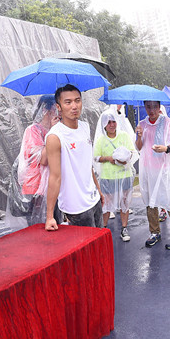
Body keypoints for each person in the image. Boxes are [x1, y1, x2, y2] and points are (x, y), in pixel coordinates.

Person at [45, 84, 103, 230]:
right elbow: (54, 177)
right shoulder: (55, 136)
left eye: (77, 100)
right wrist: (50, 216)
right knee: (88, 251)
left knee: (101, 246)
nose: (74, 106)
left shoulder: (85, 127)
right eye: (68, 102)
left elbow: (87, 164)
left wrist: (98, 190)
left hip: (94, 199)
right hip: (76, 207)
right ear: (58, 107)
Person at [136, 100, 170, 250]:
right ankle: (154, 232)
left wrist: (165, 148)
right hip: (148, 169)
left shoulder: (167, 123)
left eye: (154, 106)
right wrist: (139, 136)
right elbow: (139, 147)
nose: (151, 110)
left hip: (165, 170)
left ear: (159, 107)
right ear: (144, 107)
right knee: (150, 201)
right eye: (148, 106)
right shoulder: (142, 124)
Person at [5, 95, 61, 230]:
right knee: (38, 230)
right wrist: (53, 132)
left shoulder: (56, 130)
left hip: (51, 186)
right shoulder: (33, 131)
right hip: (36, 190)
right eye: (55, 109)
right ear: (45, 111)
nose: (58, 114)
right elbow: (43, 159)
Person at [93, 111, 137, 241]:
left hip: (124, 175)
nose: (112, 125)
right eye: (108, 123)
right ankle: (104, 229)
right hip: (108, 178)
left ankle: (124, 228)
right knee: (106, 205)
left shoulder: (124, 136)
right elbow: (96, 157)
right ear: (104, 125)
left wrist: (125, 158)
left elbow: (132, 151)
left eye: (113, 122)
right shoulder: (101, 140)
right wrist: (109, 158)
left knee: (125, 202)